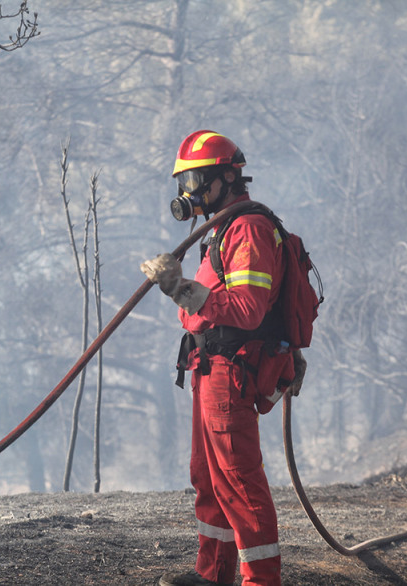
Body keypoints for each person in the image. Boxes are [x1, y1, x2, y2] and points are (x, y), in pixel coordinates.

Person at [140, 130, 305, 586]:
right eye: (184, 180)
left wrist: (182, 290)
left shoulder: (249, 228)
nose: (188, 192)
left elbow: (248, 311)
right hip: (208, 368)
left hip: (232, 371)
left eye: (196, 179)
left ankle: (261, 580)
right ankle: (213, 575)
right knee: (209, 479)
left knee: (239, 483)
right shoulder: (224, 226)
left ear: (227, 178)